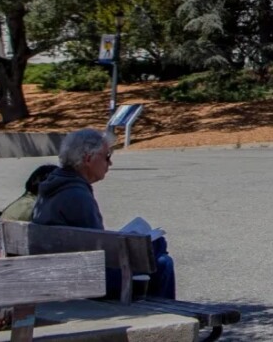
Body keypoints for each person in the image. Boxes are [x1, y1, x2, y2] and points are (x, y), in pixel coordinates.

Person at [33, 128, 177, 298]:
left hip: (58, 272)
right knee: (160, 255)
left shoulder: (54, 186)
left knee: (157, 256)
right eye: (106, 156)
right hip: (82, 279)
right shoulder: (76, 195)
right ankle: (165, 315)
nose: (110, 163)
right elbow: (101, 253)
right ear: (88, 159)